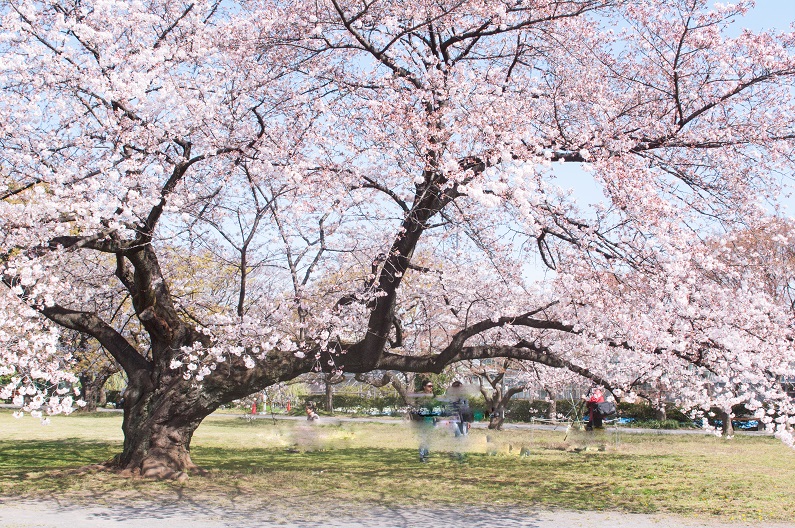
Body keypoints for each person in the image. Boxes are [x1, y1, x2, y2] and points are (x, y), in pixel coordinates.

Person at [410, 380, 439, 462]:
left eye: (432, 386)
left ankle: (426, 453)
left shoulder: (433, 395)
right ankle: (422, 455)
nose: (431, 388)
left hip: (431, 419)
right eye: (429, 386)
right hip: (423, 419)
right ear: (424, 387)